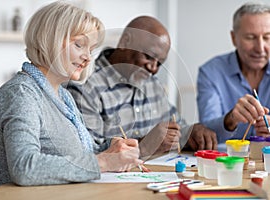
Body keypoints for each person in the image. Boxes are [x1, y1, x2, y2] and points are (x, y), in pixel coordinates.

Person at [0, 1, 143, 187]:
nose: (87, 57)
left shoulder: (63, 95)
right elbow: (24, 167)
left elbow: (80, 155)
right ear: (49, 39)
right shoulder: (21, 94)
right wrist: (104, 162)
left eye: (90, 50)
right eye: (79, 45)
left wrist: (110, 148)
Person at [66, 16, 217, 160]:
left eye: (159, 63)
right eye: (149, 57)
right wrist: (144, 146)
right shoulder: (85, 87)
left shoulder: (152, 84)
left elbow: (177, 127)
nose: (153, 68)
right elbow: (88, 154)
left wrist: (191, 133)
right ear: (125, 42)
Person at [197, 2, 270, 144]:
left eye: (267, 37)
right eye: (250, 37)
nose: (260, 48)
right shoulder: (211, 72)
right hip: (229, 162)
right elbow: (206, 132)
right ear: (233, 38)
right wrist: (230, 120)